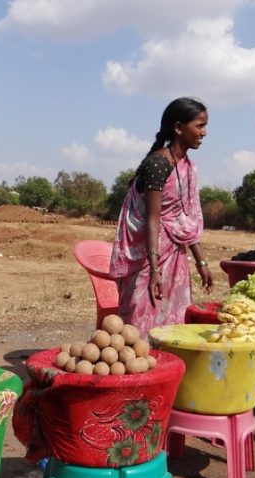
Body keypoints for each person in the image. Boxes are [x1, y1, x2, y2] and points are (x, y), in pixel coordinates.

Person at [109, 97, 214, 339]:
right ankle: (142, 371)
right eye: (199, 126)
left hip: (176, 256)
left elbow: (183, 222)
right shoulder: (158, 164)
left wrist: (202, 263)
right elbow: (153, 220)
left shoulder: (188, 167)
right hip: (150, 258)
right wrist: (155, 271)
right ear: (179, 128)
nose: (204, 133)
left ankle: (169, 371)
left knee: (173, 321)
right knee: (142, 320)